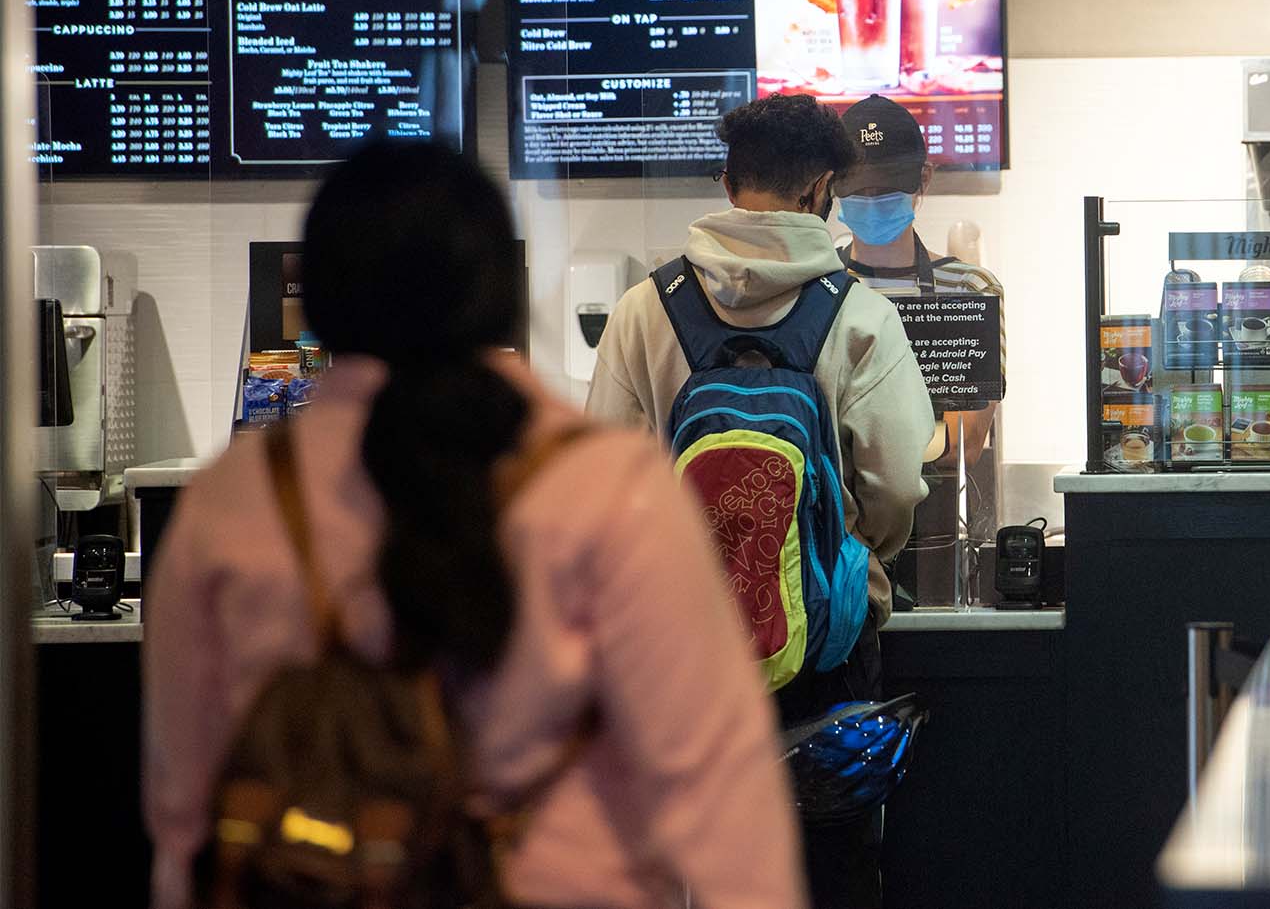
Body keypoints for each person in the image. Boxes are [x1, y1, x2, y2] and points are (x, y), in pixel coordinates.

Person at [144, 141, 803, 909]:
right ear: (502, 293)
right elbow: (721, 800)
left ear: (317, 298)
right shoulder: (611, 488)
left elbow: (183, 804)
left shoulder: (236, 496)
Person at [586, 94, 934, 909]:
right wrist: (839, 566)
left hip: (681, 657)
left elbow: (605, 479)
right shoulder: (860, 314)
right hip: (824, 653)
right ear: (822, 189)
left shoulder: (646, 308)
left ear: (725, 180)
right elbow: (895, 488)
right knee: (828, 867)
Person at [834, 96, 1006, 605]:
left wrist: (860, 434)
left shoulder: (970, 289)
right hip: (841, 542)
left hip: (940, 533)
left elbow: (967, 441)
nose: (871, 198)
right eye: (857, 189)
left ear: (923, 181)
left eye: (887, 188)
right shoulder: (820, 286)